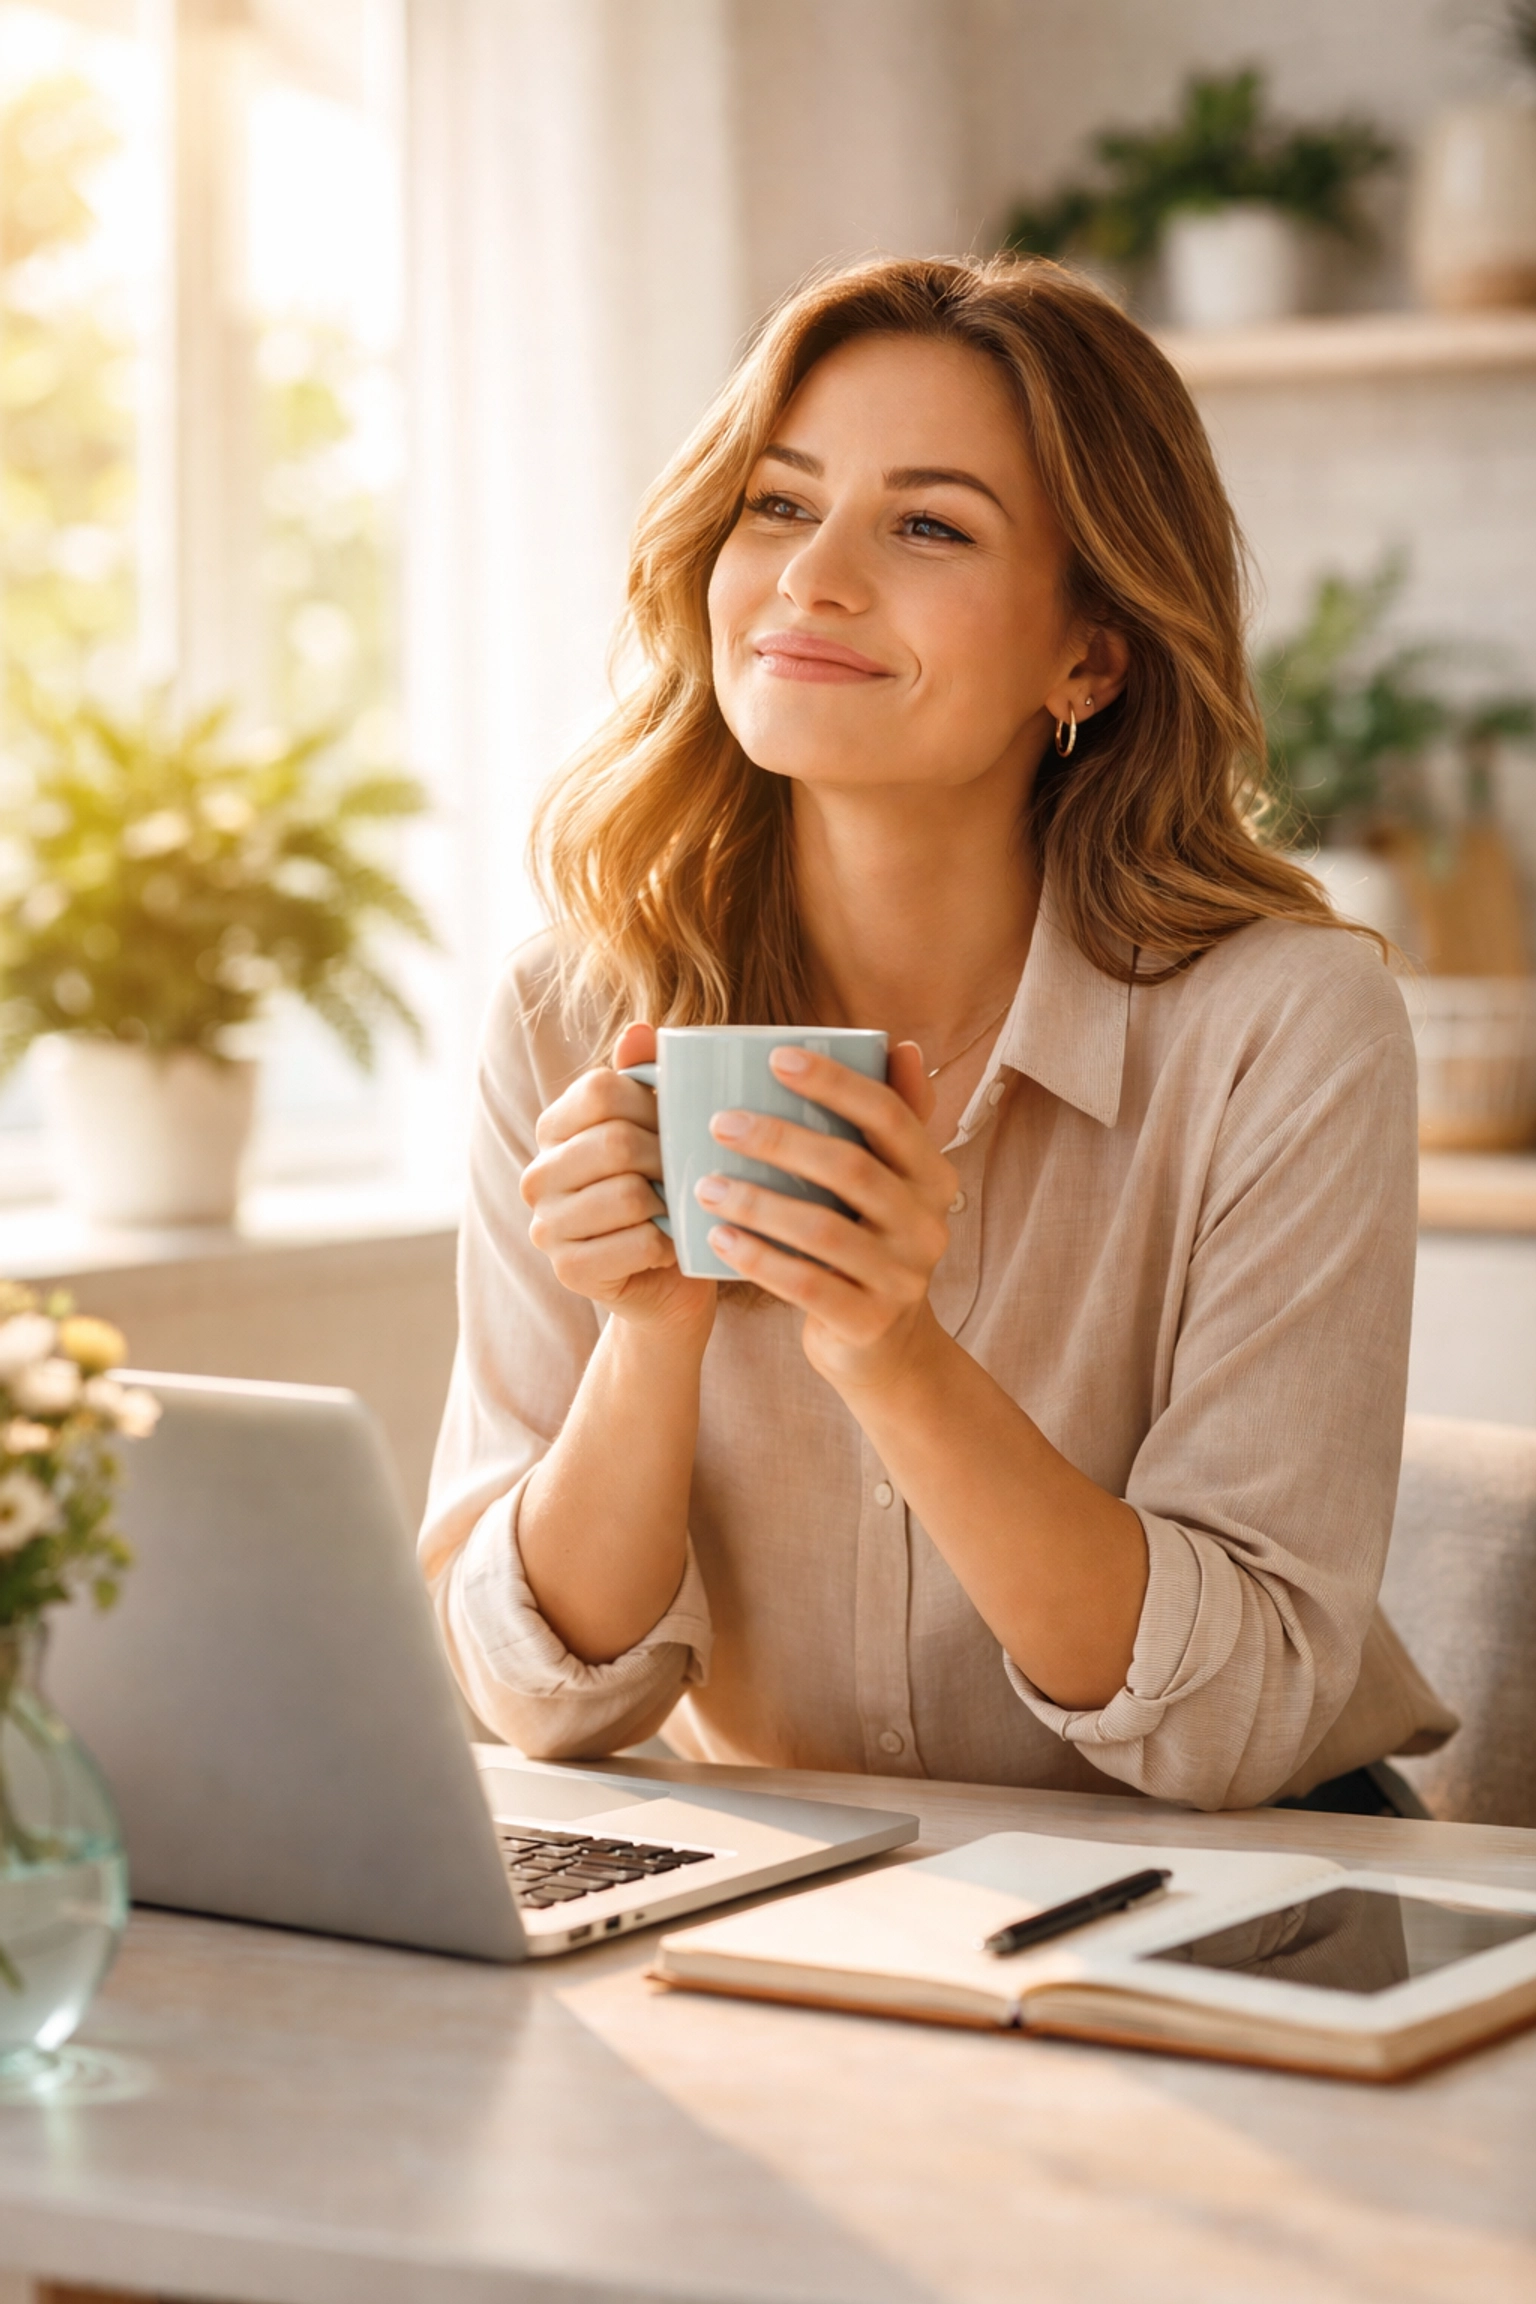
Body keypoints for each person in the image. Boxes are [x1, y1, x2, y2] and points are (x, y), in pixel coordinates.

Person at [420, 255, 1454, 1812]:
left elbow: (1233, 1726)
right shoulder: (572, 1018)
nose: (812, 578)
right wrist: (649, 1335)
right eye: (778, 504)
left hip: (1249, 1890)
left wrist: (894, 1357)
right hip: (817, 1895)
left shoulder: (1284, 1028)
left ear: (1087, 654)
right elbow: (538, 1705)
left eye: (928, 527)